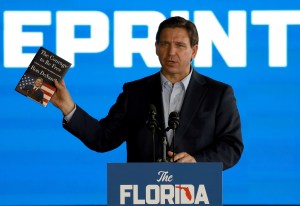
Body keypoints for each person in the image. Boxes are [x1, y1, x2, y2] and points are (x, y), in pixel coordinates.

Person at [51, 16, 243, 170]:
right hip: (142, 194)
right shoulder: (134, 92)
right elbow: (103, 138)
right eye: (165, 44)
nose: (171, 52)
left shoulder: (219, 93)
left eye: (180, 45)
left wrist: (197, 162)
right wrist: (68, 107)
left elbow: (231, 146)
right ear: (156, 48)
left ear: (194, 51)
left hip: (195, 193)